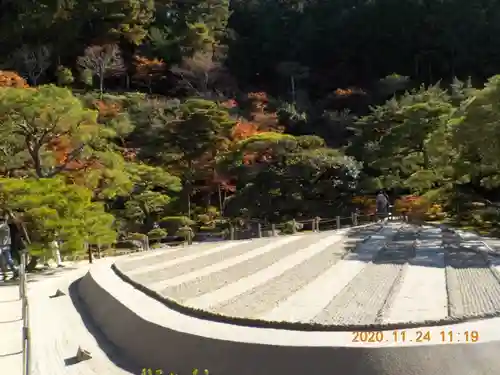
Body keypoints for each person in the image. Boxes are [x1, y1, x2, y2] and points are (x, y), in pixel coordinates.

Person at [0, 215, 18, 280]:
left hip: (4, 246)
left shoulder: (4, 226)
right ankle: (7, 273)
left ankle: (16, 270)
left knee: (8, 260)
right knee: (4, 260)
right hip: (3, 245)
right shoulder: (5, 226)